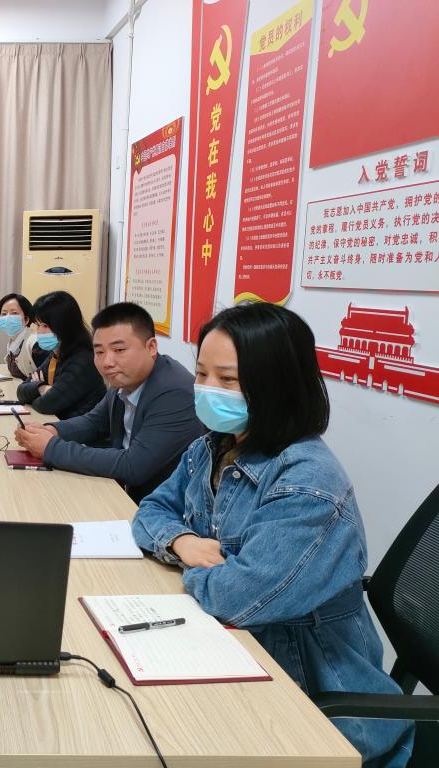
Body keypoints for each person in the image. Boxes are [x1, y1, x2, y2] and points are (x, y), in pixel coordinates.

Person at [131, 302, 414, 767]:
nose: (206, 389)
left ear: (277, 386)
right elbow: (151, 510)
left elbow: (234, 599)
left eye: (227, 379)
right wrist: (184, 544)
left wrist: (197, 571)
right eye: (201, 374)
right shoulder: (212, 446)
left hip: (314, 703)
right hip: (239, 657)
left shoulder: (308, 485)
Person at [15, 302, 205, 502]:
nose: (107, 362)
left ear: (151, 347)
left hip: (162, 507)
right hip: (125, 494)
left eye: (119, 350)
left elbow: (133, 466)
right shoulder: (124, 379)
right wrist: (52, 430)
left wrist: (50, 448)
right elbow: (94, 422)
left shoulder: (174, 392)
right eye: (99, 352)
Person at [15, 291, 105, 419]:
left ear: (64, 326)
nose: (39, 331)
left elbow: (46, 405)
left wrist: (38, 390)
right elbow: (21, 391)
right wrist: (41, 387)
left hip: (80, 429)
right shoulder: (56, 354)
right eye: (38, 325)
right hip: (59, 423)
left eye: (45, 326)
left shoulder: (83, 360)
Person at [0, 292, 44, 380]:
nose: (8, 318)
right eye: (4, 314)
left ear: (26, 319)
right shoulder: (13, 341)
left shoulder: (35, 344)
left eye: (14, 313)